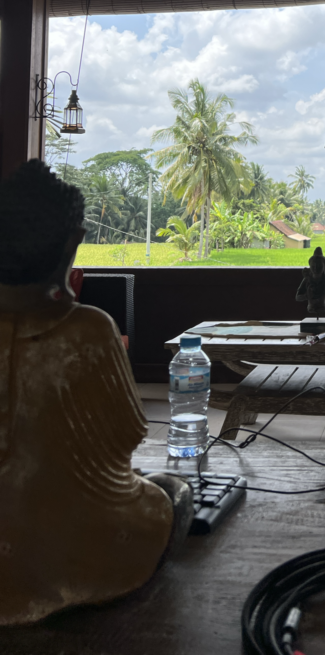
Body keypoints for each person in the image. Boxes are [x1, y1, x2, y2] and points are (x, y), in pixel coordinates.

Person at [0, 160, 192, 625]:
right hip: (80, 549)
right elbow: (126, 435)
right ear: (72, 243)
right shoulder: (89, 329)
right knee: (172, 491)